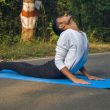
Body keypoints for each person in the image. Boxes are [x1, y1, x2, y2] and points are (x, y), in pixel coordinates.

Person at [0, 14, 102, 84]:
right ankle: (3, 64)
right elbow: (58, 61)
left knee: (28, 68)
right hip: (54, 70)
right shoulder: (66, 34)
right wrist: (74, 79)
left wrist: (88, 75)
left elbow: (78, 57)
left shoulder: (82, 34)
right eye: (62, 17)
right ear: (62, 25)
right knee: (27, 69)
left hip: (63, 72)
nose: (65, 15)